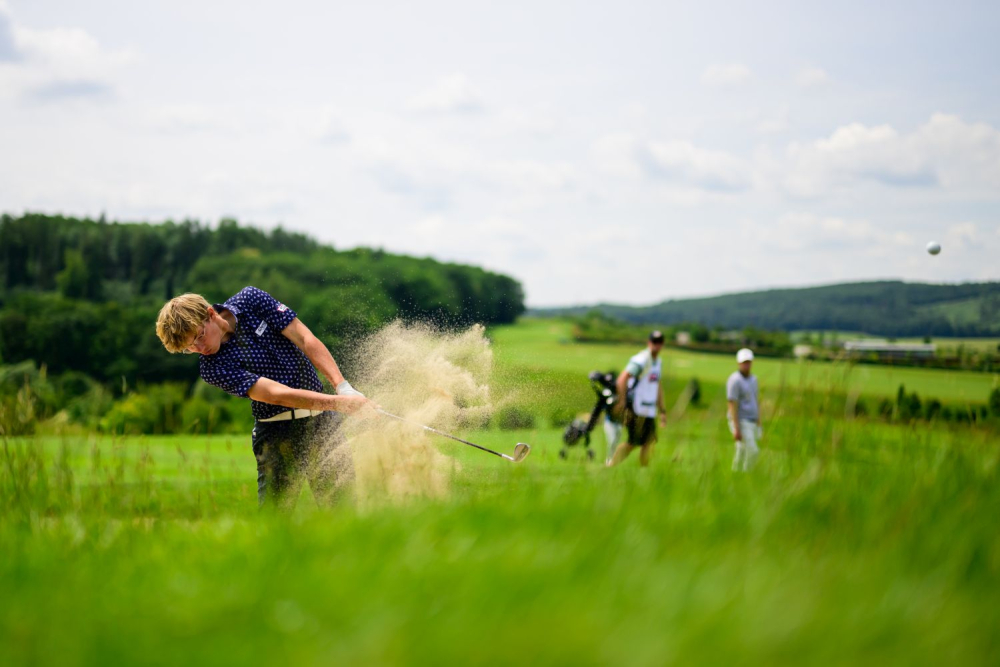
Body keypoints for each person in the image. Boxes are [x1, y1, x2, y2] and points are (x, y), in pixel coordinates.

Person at [155, 286, 372, 508]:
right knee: (274, 525)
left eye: (199, 336)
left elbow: (304, 337)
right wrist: (339, 404)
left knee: (344, 510)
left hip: (322, 424)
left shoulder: (251, 299)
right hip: (276, 437)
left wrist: (343, 387)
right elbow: (276, 395)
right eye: (189, 347)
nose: (199, 348)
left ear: (211, 314)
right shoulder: (212, 367)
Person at [609, 330, 667, 467]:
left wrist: (662, 410)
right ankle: (610, 466)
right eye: (654, 342)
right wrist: (622, 401)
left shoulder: (658, 362)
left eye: (659, 342)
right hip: (636, 407)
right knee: (632, 443)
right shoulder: (641, 360)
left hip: (649, 410)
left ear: (662, 344)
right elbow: (622, 379)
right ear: (649, 343)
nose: (656, 345)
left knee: (649, 442)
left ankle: (644, 471)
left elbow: (657, 386)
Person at [727, 348, 761, 471]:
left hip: (752, 420)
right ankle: (747, 473)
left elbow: (756, 400)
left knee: (741, 450)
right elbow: (732, 404)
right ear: (739, 363)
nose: (746, 365)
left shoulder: (754, 380)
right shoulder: (735, 380)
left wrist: (759, 421)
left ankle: (736, 473)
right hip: (741, 421)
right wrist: (736, 428)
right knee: (753, 451)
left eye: (748, 362)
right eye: (744, 362)